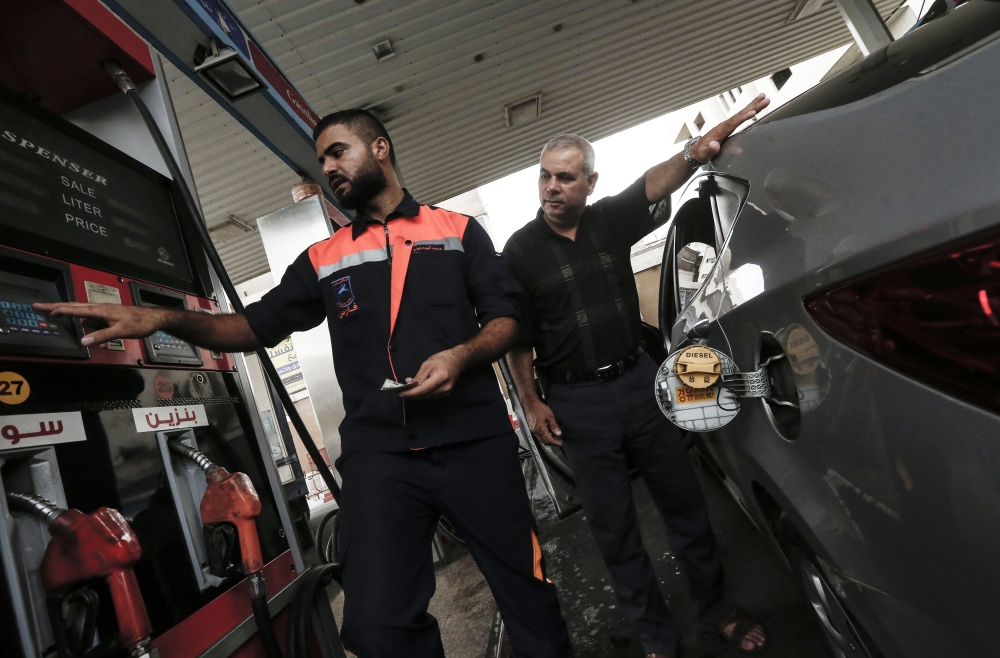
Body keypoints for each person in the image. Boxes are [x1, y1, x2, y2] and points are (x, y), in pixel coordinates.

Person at [37, 109, 574, 658]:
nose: (329, 167)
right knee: (376, 627)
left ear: (381, 149)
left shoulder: (457, 231)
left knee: (528, 597)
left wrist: (461, 355)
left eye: (338, 151)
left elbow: (506, 321)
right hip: (382, 457)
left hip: (474, 443)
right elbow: (252, 326)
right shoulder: (324, 257)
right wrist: (162, 319)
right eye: (322, 160)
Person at [503, 95, 771, 658]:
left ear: (590, 183)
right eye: (545, 177)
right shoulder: (520, 252)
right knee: (614, 528)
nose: (552, 188)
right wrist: (531, 402)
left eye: (565, 178)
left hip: (639, 382)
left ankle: (717, 611)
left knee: (684, 503)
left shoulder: (607, 221)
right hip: (576, 401)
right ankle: (656, 636)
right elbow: (519, 339)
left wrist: (697, 151)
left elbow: (653, 182)